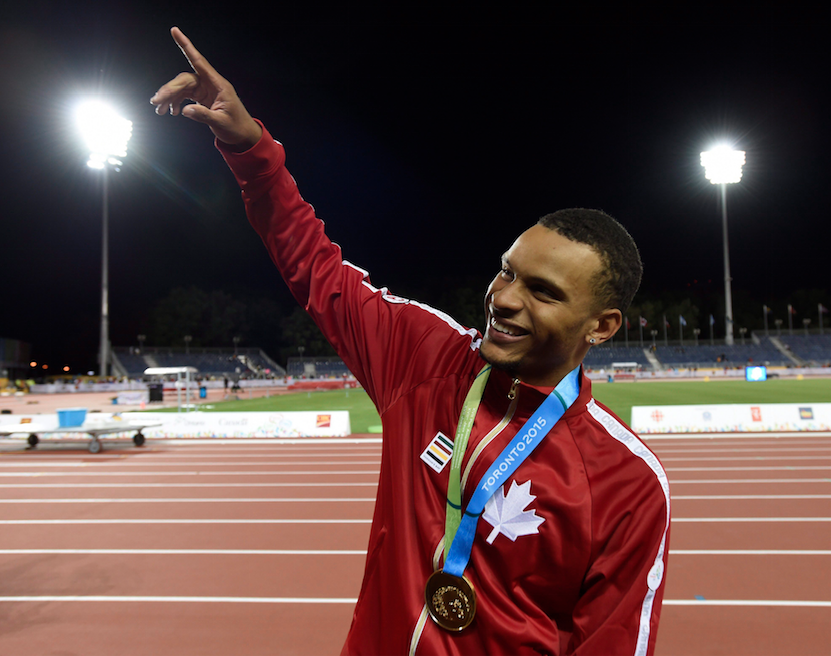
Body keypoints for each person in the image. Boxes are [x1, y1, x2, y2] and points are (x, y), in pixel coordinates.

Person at [152, 28, 670, 656]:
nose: (504, 298)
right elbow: (318, 268)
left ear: (603, 325)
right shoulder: (425, 356)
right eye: (505, 271)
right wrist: (250, 149)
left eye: (543, 291)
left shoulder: (627, 480)